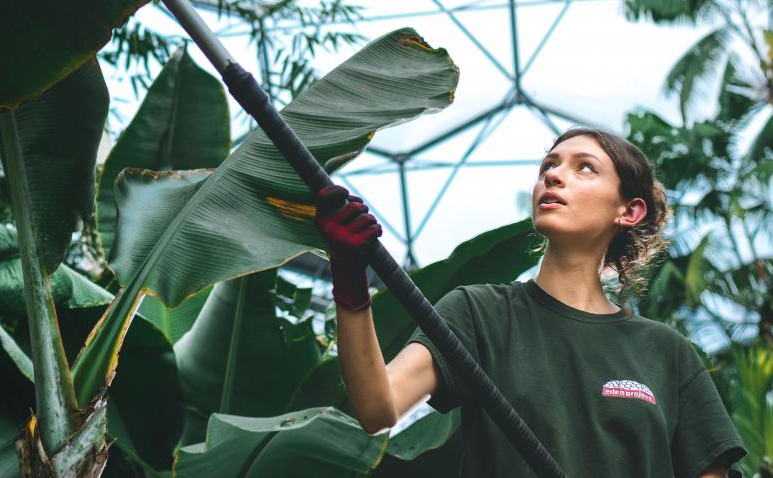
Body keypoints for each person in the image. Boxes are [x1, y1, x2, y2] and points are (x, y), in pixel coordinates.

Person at [319, 127, 746, 478]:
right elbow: (379, 407)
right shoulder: (479, 313)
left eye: (584, 169)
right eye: (550, 166)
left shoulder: (666, 353)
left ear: (629, 211)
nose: (554, 176)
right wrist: (349, 281)